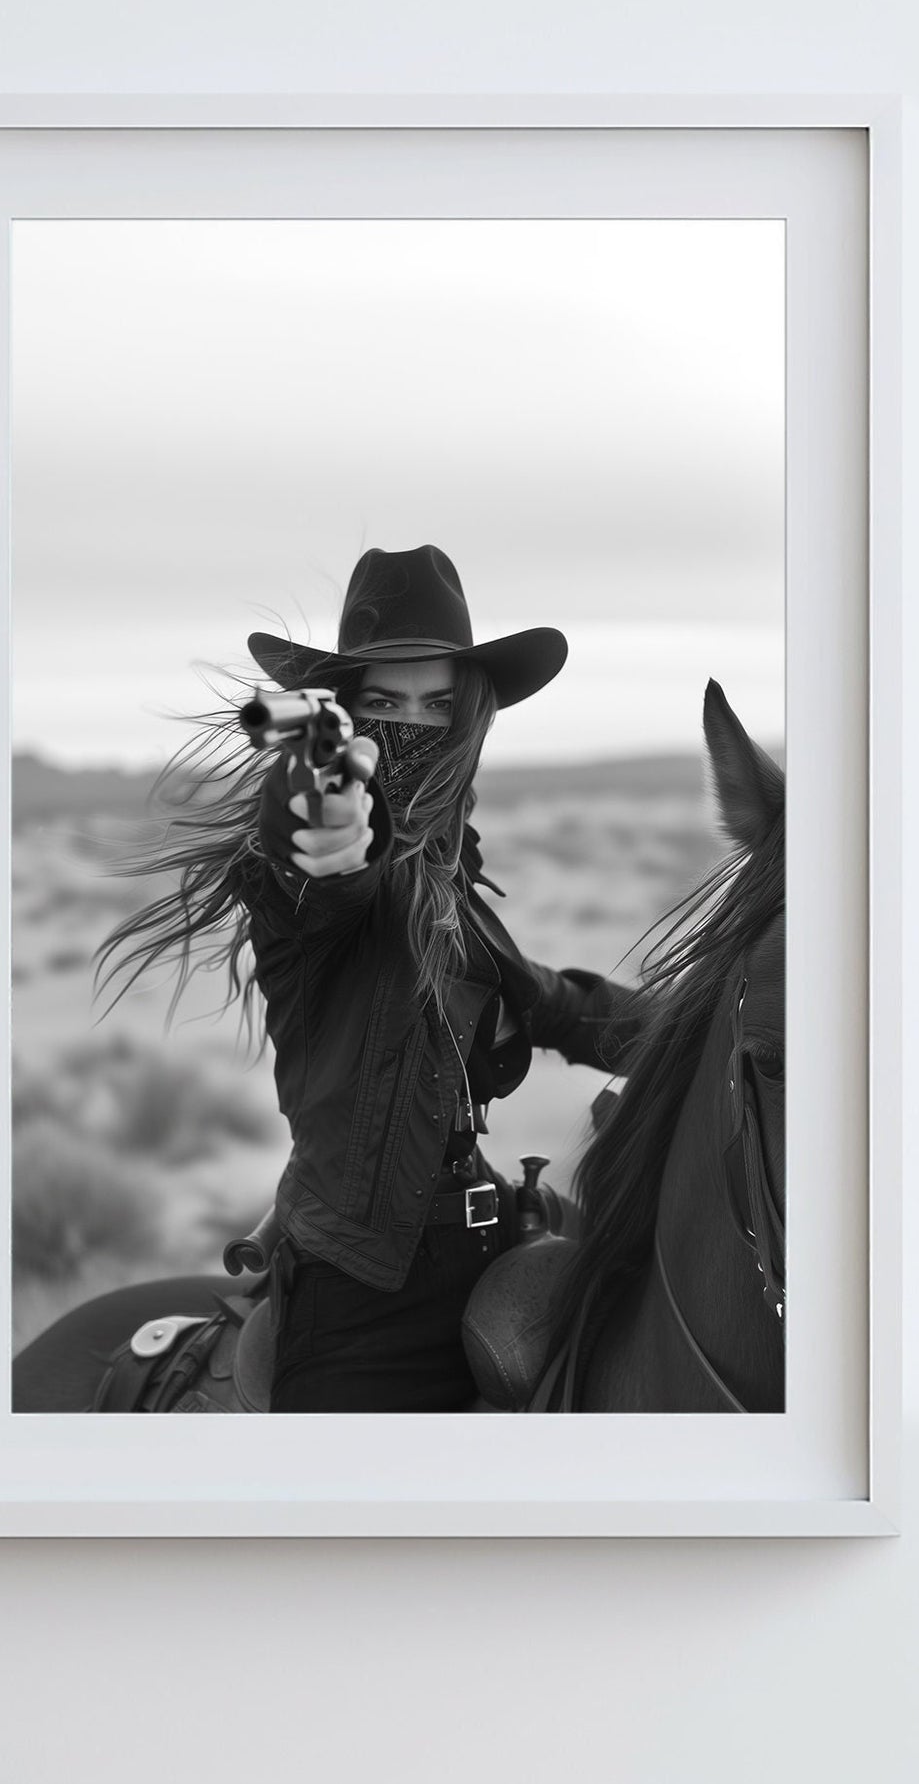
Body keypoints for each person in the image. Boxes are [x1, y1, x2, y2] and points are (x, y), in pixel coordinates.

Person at [97, 544, 641, 1411]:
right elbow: (329, 857)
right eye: (384, 702)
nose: (412, 726)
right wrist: (331, 817)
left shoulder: (451, 886)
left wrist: (703, 1029)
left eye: (436, 705)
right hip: (362, 1302)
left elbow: (548, 1001)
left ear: (469, 719)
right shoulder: (307, 882)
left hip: (489, 1242)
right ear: (346, 715)